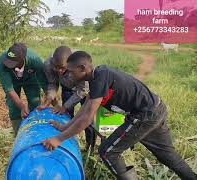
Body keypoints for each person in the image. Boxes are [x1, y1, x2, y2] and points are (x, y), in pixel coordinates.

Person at [43, 51, 197, 180]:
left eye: (71, 70)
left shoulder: (100, 77)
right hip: (155, 109)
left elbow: (86, 118)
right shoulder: (98, 78)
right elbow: (84, 111)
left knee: (107, 152)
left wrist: (59, 139)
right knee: (168, 156)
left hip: (145, 115)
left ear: (82, 68)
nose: (68, 74)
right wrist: (64, 127)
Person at [37, 46, 95, 148]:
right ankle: (70, 142)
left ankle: (90, 146)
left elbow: (82, 90)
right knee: (67, 115)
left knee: (87, 118)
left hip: (84, 90)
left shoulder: (80, 65)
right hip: (67, 87)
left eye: (63, 68)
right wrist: (49, 99)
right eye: (56, 67)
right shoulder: (48, 64)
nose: (59, 71)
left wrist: (64, 106)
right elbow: (52, 83)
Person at [0, 43, 47, 136]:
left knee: (35, 101)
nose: (10, 65)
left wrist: (51, 101)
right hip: (12, 80)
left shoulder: (35, 60)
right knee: (13, 106)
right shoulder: (2, 63)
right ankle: (19, 136)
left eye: (14, 62)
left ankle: (35, 132)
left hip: (31, 78)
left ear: (22, 59)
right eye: (9, 61)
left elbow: (44, 83)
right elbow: (9, 89)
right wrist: (22, 106)